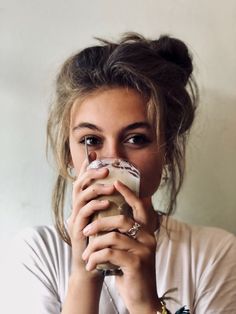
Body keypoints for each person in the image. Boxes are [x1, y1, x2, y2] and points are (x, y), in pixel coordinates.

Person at [3, 33, 236, 314]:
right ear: (68, 154)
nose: (112, 160)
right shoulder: (37, 253)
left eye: (136, 138)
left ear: (166, 151)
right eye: (91, 140)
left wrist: (146, 303)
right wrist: (84, 275)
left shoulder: (214, 254)